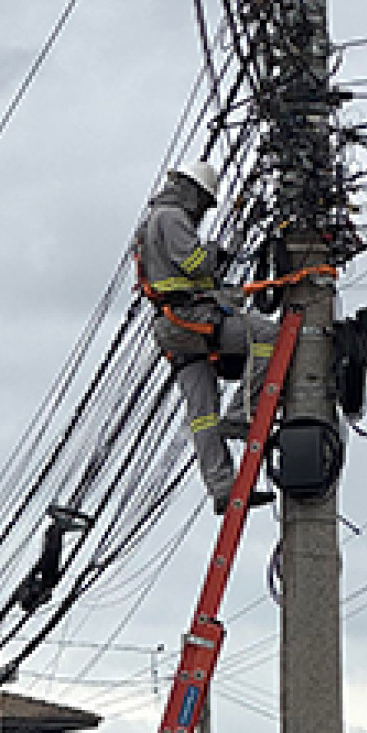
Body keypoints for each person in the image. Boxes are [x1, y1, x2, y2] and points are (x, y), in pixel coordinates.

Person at [134, 156, 278, 510]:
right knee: (267, 337)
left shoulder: (151, 223)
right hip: (190, 320)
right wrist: (221, 252)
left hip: (172, 328)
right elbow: (196, 263)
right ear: (193, 192)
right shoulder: (172, 217)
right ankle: (242, 413)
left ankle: (223, 489)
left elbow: (194, 277)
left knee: (201, 413)